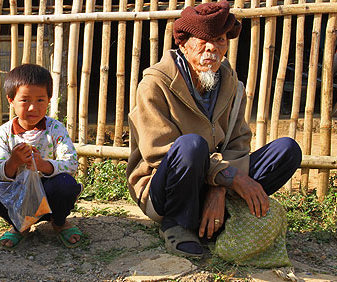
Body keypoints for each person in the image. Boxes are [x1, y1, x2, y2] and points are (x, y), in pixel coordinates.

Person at [126, 1, 302, 258]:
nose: (212, 48)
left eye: (219, 40)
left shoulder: (229, 81)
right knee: (191, 145)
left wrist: (219, 186)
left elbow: (238, 141)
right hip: (164, 188)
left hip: (211, 179)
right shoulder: (155, 84)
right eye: (202, 40)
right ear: (183, 44)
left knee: (287, 150)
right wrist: (228, 177)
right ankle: (178, 224)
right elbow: (158, 153)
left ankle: (215, 212)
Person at [0, 64, 84, 249]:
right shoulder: (4, 134)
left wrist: (43, 165)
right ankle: (20, 226)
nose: (33, 107)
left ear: (49, 99)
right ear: (11, 100)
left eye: (40, 100)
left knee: (65, 184)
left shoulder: (55, 129)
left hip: (50, 196)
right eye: (24, 100)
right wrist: (13, 162)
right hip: (19, 196)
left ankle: (59, 222)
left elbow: (71, 164)